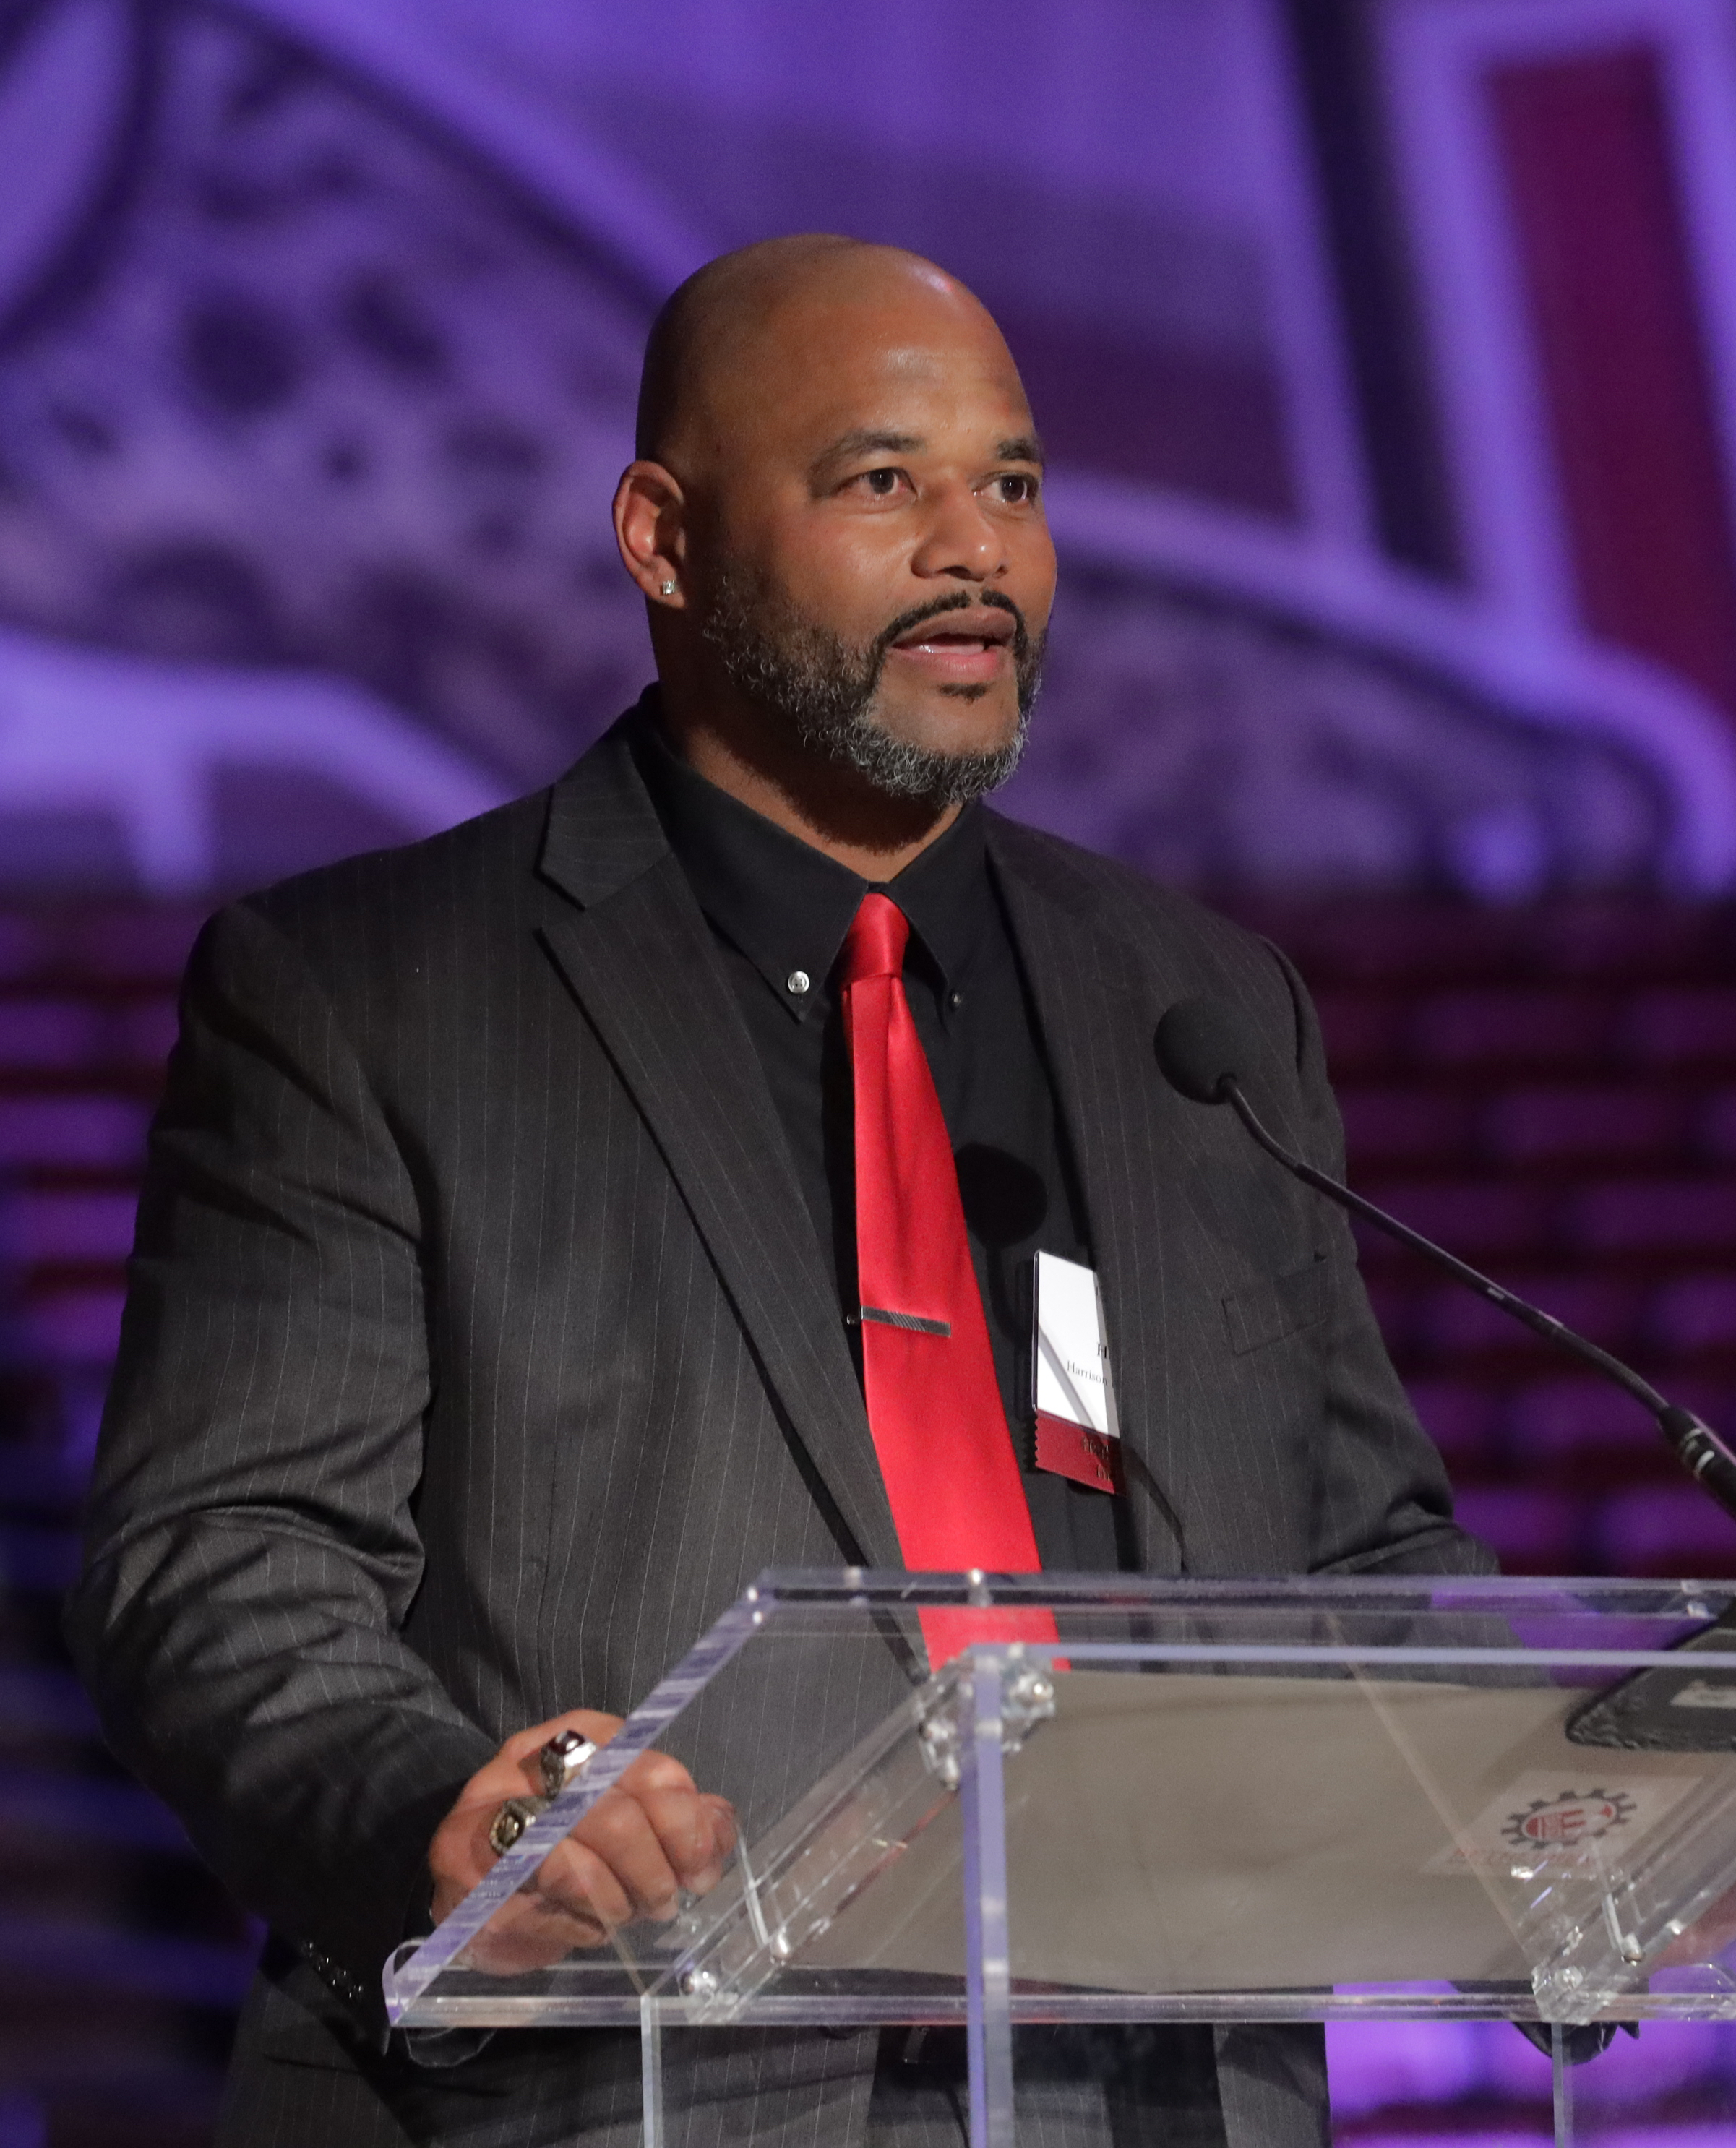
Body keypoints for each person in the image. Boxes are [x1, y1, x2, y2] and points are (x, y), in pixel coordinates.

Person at [66, 236, 1493, 2146]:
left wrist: (1569, 1764)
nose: (974, 547)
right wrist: (459, 1812)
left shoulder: (1198, 1005)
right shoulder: (372, 990)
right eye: (879, 481)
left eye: (1012, 482)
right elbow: (226, 1565)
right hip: (638, 2079)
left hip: (1160, 2091)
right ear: (662, 537)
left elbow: (1354, 1560)